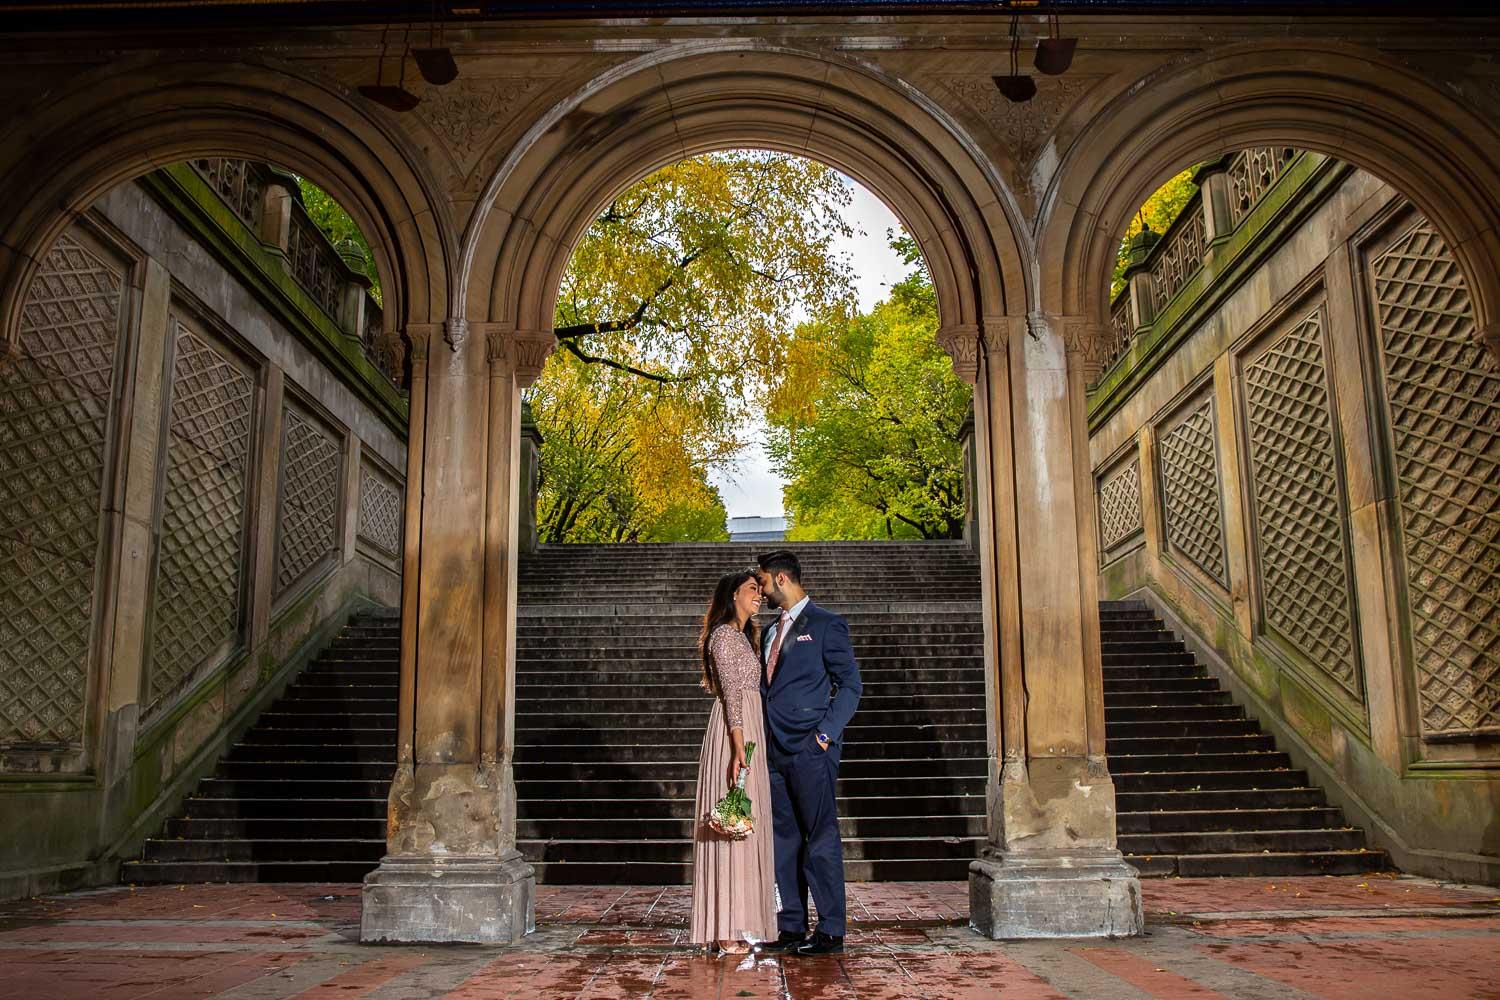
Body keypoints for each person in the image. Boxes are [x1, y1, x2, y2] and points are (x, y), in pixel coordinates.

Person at [754, 549, 862, 956]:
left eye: (763, 581)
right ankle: (792, 927)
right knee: (785, 841)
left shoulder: (827, 624)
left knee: (819, 839)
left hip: (811, 749)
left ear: (781, 579)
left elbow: (851, 686)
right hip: (774, 750)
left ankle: (831, 929)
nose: (760, 589)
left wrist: (824, 736)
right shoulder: (768, 632)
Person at [688, 568, 777, 954]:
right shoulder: (724, 636)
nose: (758, 595)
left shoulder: (743, 637)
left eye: (759, 590)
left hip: (749, 731)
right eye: (751, 590)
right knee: (730, 828)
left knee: (742, 828)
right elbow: (731, 694)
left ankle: (735, 923)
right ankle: (723, 929)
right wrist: (739, 747)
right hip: (732, 734)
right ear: (733, 595)